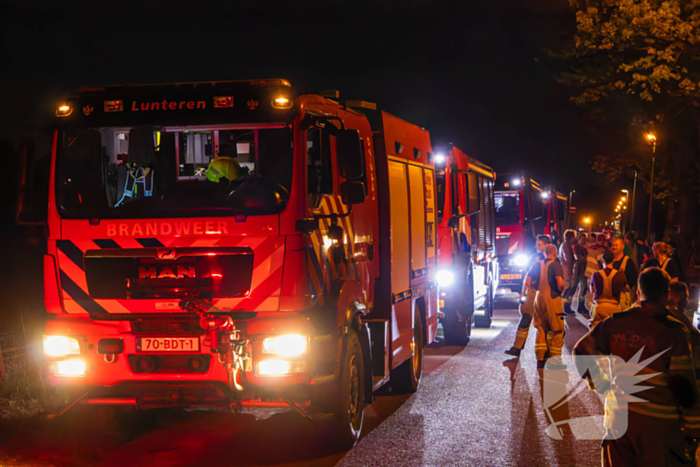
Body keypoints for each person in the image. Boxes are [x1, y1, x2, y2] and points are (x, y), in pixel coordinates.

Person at [574, 268, 700, 466]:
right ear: (666, 295)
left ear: (638, 292)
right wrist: (693, 429)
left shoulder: (615, 323)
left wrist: (603, 385)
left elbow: (581, 352)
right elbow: (684, 384)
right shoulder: (676, 331)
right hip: (658, 429)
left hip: (619, 422)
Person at [505, 235, 551, 358]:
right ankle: (517, 347)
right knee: (526, 318)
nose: (537, 247)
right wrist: (523, 292)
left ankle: (546, 350)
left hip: (545, 293)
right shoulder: (534, 258)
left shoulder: (552, 260)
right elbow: (527, 276)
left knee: (545, 323)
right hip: (533, 292)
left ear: (547, 246)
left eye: (540, 244)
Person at [531, 244, 566, 368]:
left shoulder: (537, 264)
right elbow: (560, 283)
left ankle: (540, 358)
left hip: (538, 298)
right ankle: (555, 361)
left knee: (541, 328)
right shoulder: (556, 265)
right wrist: (560, 291)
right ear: (555, 254)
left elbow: (528, 282)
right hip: (552, 299)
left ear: (544, 253)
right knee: (557, 330)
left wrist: (536, 290)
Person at [589, 251, 627, 327]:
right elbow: (625, 288)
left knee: (596, 331)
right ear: (613, 260)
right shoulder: (620, 275)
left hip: (599, 308)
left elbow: (592, 291)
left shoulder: (595, 275)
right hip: (614, 308)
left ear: (602, 261)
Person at [610, 237, 638, 308]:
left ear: (622, 247)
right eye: (613, 245)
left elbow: (633, 283)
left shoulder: (628, 262)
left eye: (616, 245)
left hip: (622, 300)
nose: (614, 247)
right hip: (610, 299)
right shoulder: (609, 261)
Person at [560, 230, 577, 313]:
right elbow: (568, 258)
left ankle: (565, 307)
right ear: (571, 237)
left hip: (566, 269)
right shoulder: (566, 245)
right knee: (567, 289)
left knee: (567, 288)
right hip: (566, 270)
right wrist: (575, 261)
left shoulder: (564, 245)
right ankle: (566, 307)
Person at [572, 233, 589, 314]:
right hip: (577, 271)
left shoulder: (585, 249)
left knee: (583, 290)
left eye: (584, 239)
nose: (583, 240)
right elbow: (577, 257)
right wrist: (585, 260)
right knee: (574, 289)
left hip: (583, 271)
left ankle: (581, 306)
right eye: (581, 238)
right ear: (578, 239)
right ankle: (568, 306)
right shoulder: (576, 247)